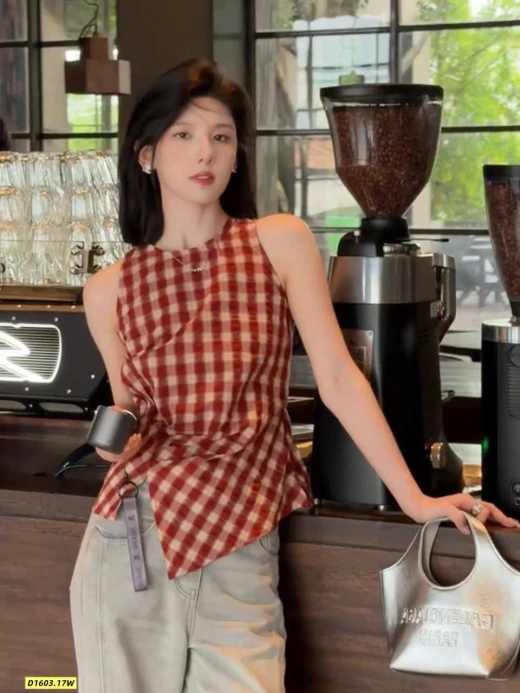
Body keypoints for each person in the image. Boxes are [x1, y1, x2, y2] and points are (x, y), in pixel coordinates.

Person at [71, 58, 518, 693]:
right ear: (146, 155)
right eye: (183, 135)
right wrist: (118, 439)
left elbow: (339, 378)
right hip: (132, 543)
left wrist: (416, 499)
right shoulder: (107, 290)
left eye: (221, 136)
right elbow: (129, 412)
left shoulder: (277, 242)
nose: (205, 152)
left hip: (238, 536)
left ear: (237, 156)